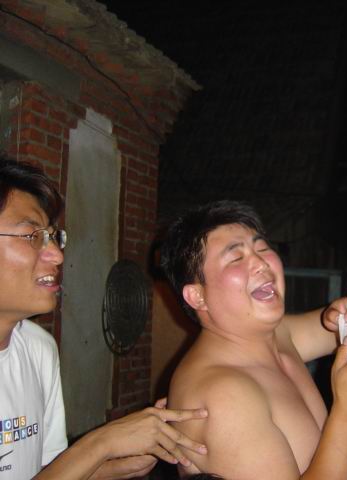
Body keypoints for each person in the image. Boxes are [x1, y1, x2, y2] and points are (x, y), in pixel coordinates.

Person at [160, 200, 347, 479]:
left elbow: (346, 329)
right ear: (197, 296)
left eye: (262, 248)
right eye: (236, 258)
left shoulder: (275, 335)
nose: (260, 263)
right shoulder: (222, 393)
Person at [0, 156, 209, 480]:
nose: (57, 255)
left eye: (54, 237)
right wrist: (101, 444)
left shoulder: (38, 348)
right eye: (32, 236)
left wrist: (112, 466)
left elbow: (49, 472)